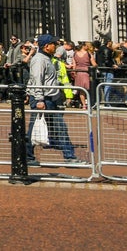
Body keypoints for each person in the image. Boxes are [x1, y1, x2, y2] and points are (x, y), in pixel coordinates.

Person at [25, 34, 78, 165]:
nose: (56, 46)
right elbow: (37, 80)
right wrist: (39, 99)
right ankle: (69, 157)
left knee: (54, 127)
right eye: (54, 44)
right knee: (42, 127)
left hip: (50, 98)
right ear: (46, 46)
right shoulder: (39, 59)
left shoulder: (48, 58)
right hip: (43, 99)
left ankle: (68, 156)